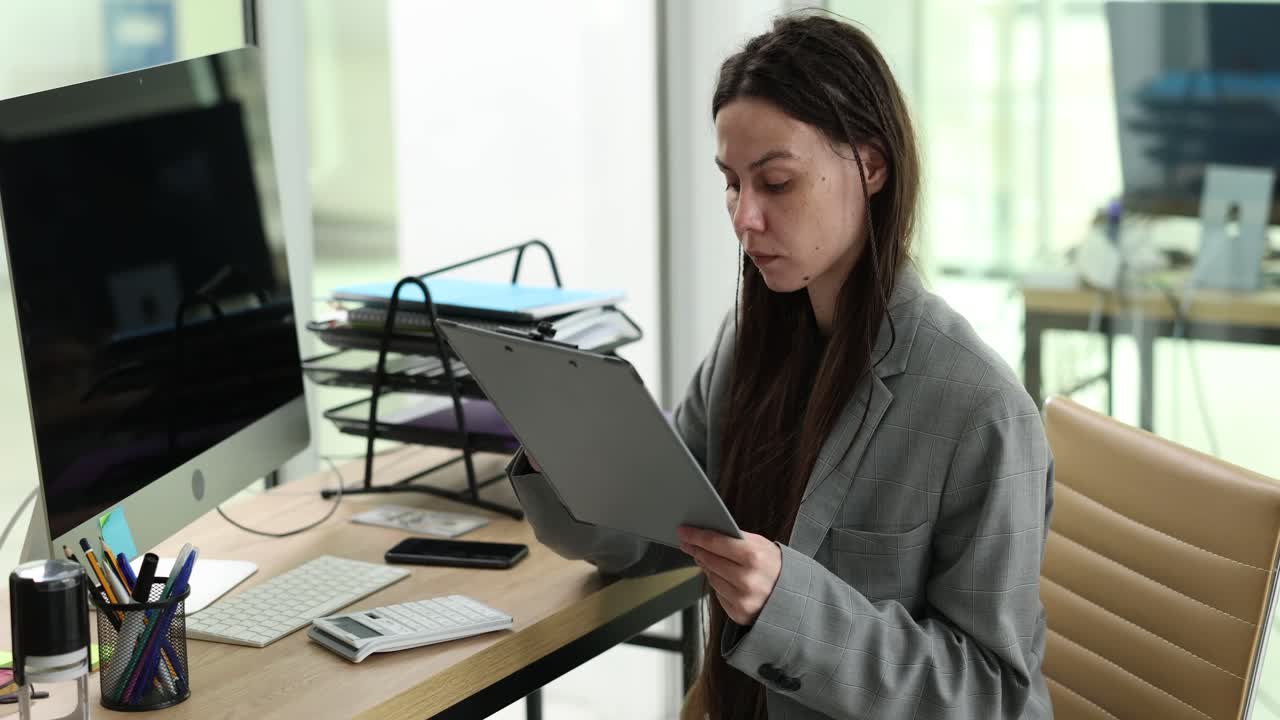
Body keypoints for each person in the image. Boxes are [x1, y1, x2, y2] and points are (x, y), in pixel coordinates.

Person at [507, 13, 1053, 720]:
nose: (744, 217)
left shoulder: (980, 410)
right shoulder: (752, 345)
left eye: (777, 183)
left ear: (873, 166)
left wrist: (787, 607)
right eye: (732, 183)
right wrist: (570, 468)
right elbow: (657, 536)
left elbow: (996, 699)